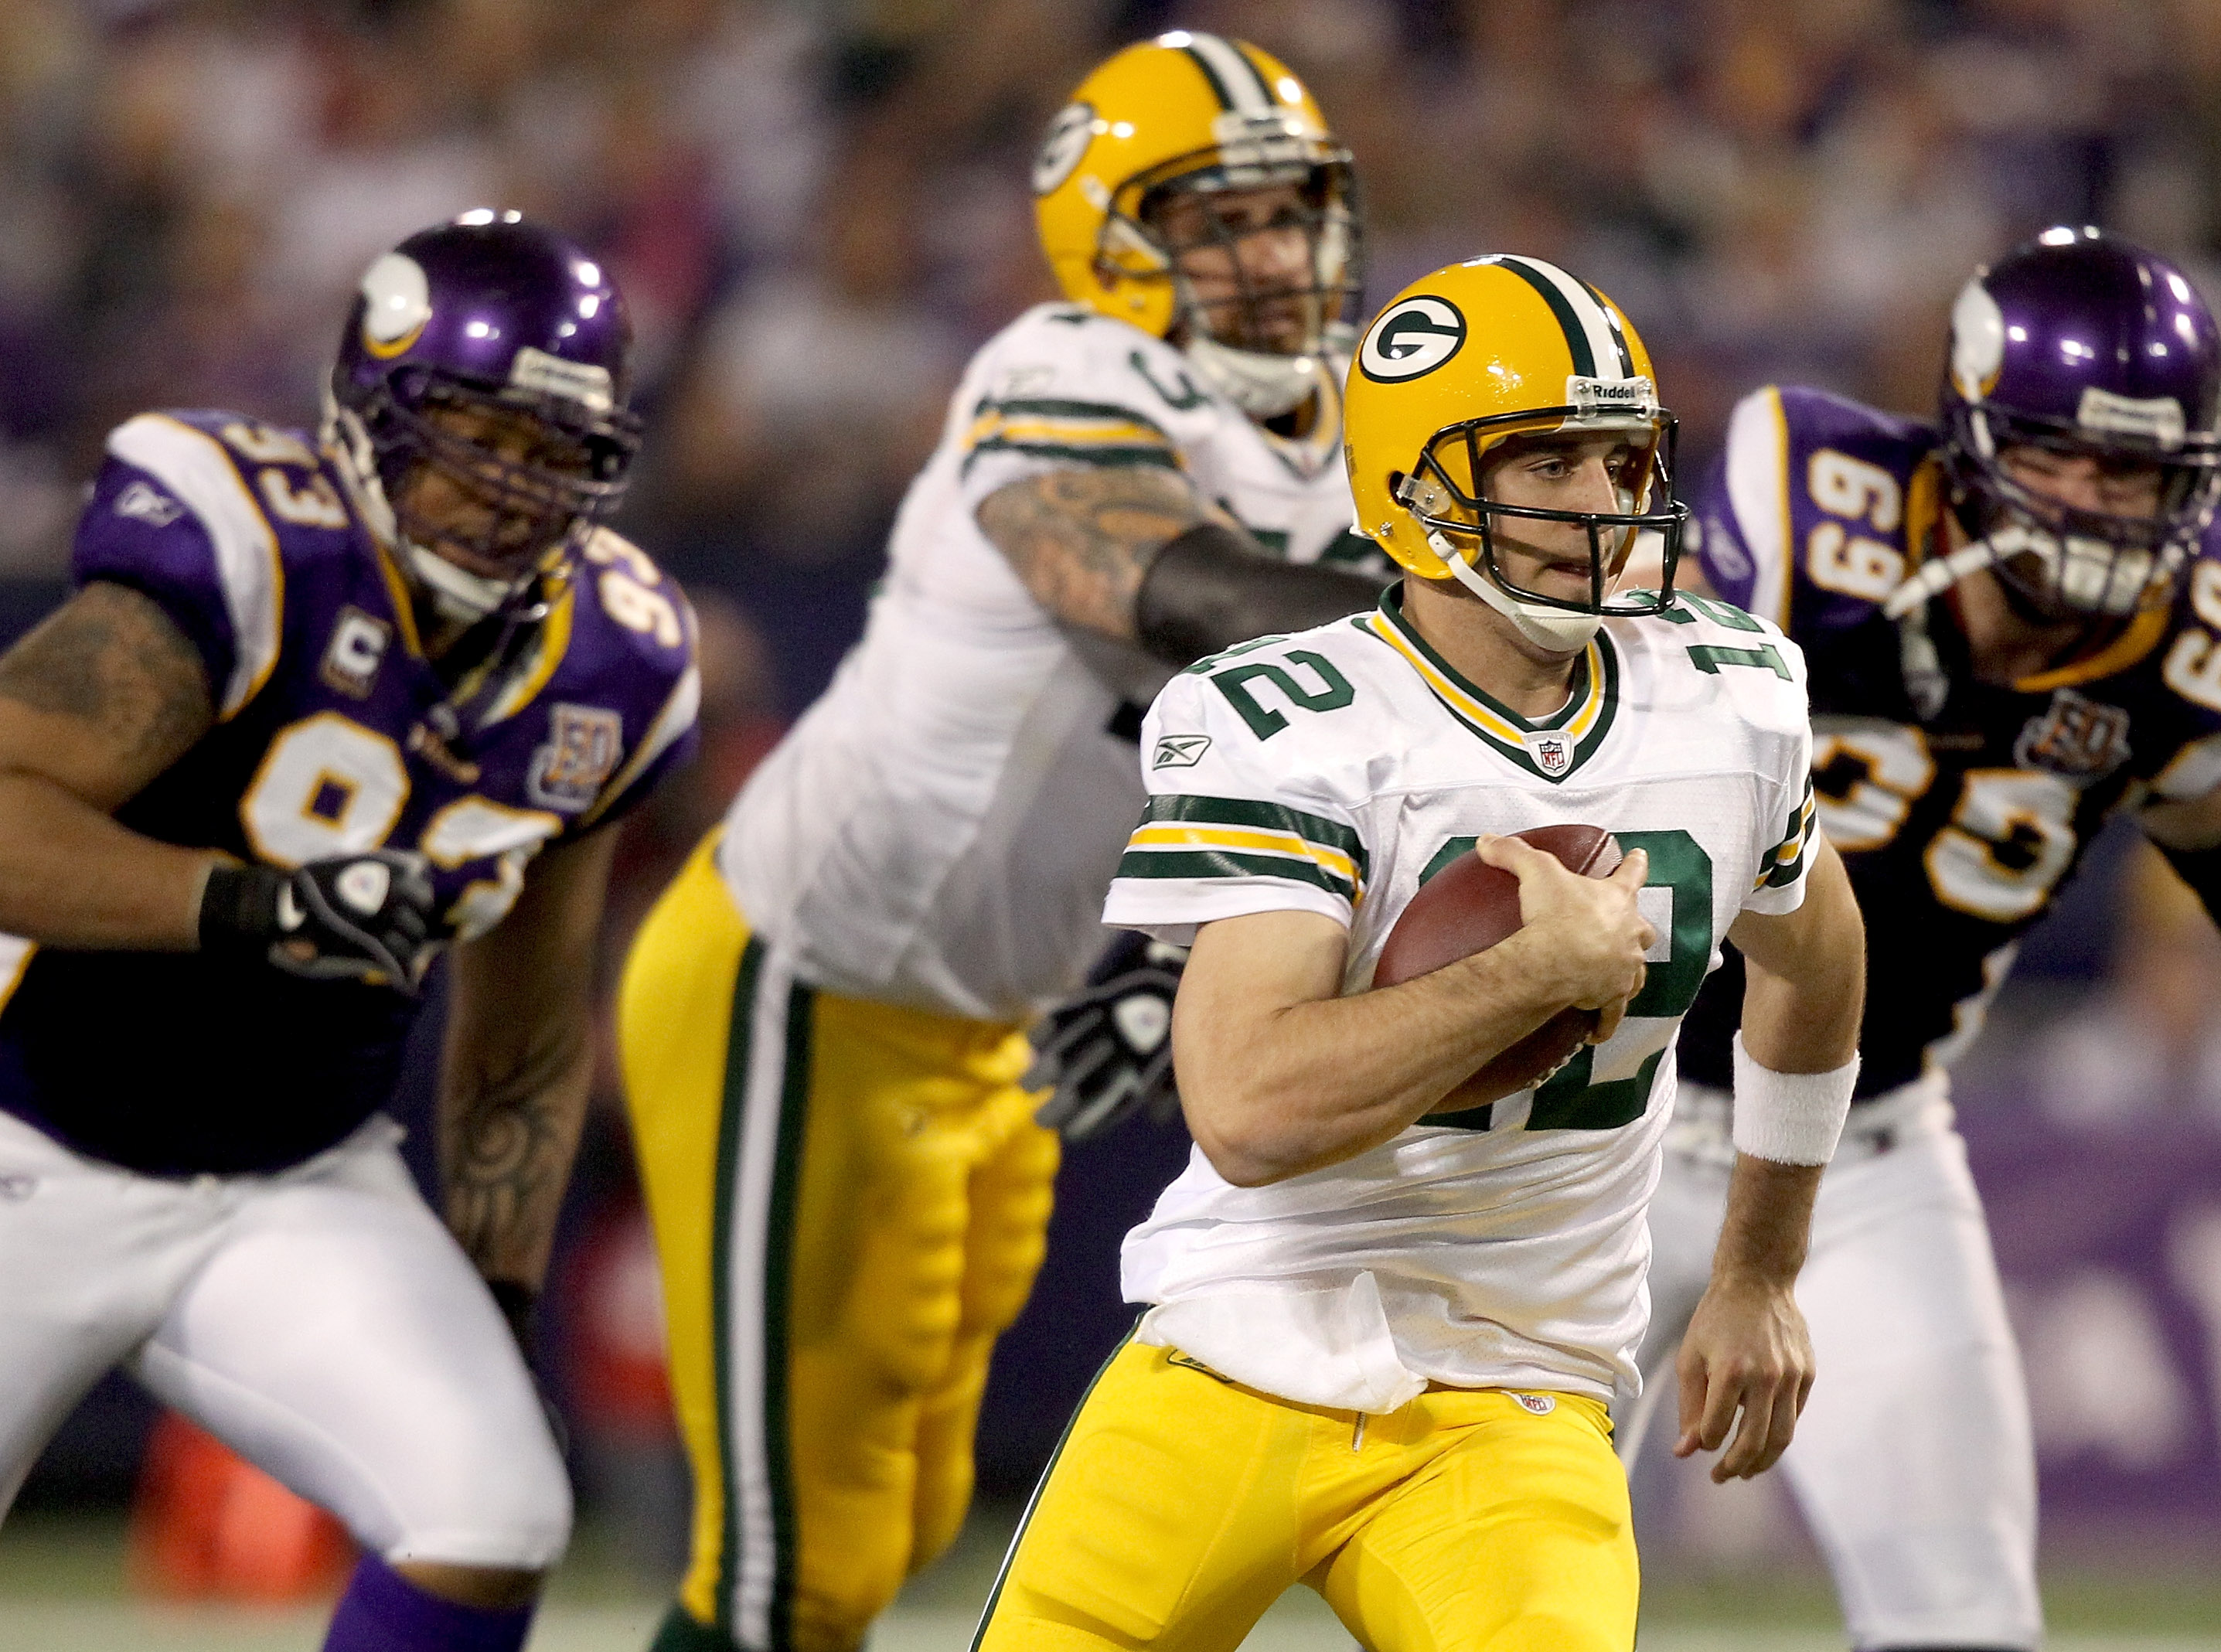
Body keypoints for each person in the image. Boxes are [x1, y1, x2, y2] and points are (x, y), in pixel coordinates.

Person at [615, 32, 1392, 1652]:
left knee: (902, 1521)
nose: (1271, 256)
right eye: (1215, 220)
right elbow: (1180, 596)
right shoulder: (1062, 370)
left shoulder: (1371, 438)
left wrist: (1172, 960)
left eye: (1291, 211)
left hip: (996, 1022)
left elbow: (1299, 767)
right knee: (792, 1572)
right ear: (1107, 237)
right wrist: (1475, 619)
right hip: (805, 980)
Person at [973, 254, 1868, 1652]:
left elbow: (1819, 963)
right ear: (1413, 489)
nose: (1601, 505)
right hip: (1242, 1348)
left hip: (1522, 1387)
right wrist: (1527, 975)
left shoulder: (1730, 696)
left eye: (1620, 460)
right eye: (1546, 461)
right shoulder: (1302, 719)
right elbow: (1253, 1109)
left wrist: (1759, 1268)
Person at [1632, 226, 2221, 1652]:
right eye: (2057, 455)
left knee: (1962, 1622)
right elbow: (1617, 727)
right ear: (1962, 438)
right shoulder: (1811, 508)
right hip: (1600, 1123)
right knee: (1477, 1586)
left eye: (2127, 471)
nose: (2087, 503)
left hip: (1856, 1155)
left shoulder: (2211, 628)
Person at [0, 211, 698, 1652]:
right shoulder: (257, 545)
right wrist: (241, 904)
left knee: (492, 1511)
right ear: (367, 408)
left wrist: (499, 1290)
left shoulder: (615, 660)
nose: (512, 489)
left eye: (556, 452)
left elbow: (525, 1022)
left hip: (289, 1173)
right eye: (474, 434)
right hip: (30, 1132)